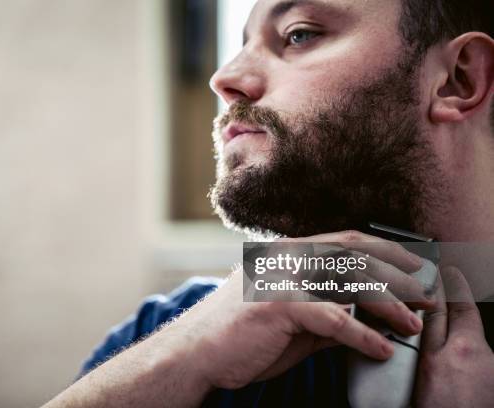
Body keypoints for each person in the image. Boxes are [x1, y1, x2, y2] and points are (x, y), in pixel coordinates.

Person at [43, 0, 494, 406]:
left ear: (458, 78)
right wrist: (175, 359)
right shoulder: (168, 333)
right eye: (242, 44)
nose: (224, 79)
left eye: (299, 35)